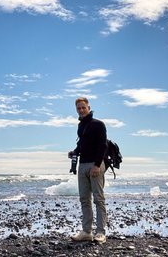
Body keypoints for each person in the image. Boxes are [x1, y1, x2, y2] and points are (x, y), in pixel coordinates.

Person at [68, 97, 108, 243]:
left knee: (98, 199)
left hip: (95, 165)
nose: (81, 110)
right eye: (78, 108)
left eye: (83, 107)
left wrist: (97, 165)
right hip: (82, 165)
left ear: (89, 107)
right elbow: (83, 144)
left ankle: (100, 233)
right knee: (84, 199)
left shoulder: (98, 124)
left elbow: (102, 146)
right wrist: (74, 152)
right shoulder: (81, 126)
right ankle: (86, 232)